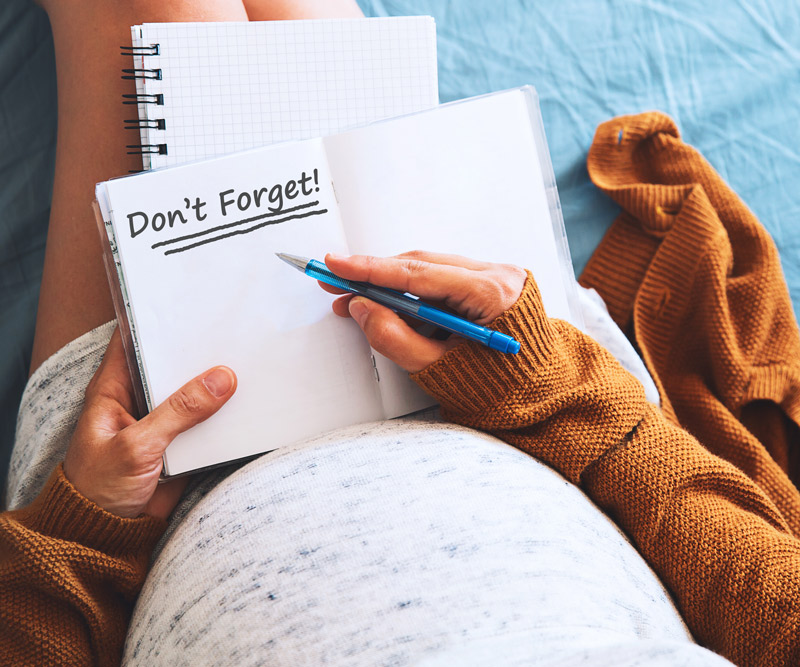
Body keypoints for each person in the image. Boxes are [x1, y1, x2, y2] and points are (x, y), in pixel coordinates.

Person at [3, 2, 800, 667]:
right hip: (515, 393)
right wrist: (553, 384)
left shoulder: (109, 511)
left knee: (149, 11)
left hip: (149, 474)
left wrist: (86, 531)